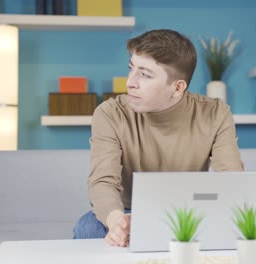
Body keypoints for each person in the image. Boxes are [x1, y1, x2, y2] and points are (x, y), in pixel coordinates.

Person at [73, 29, 244, 246]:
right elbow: (103, 181)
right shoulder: (110, 113)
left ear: (177, 87)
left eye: (144, 74)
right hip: (129, 212)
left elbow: (231, 181)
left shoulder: (216, 113)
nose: (130, 82)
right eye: (131, 69)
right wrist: (117, 221)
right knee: (88, 227)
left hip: (188, 213)